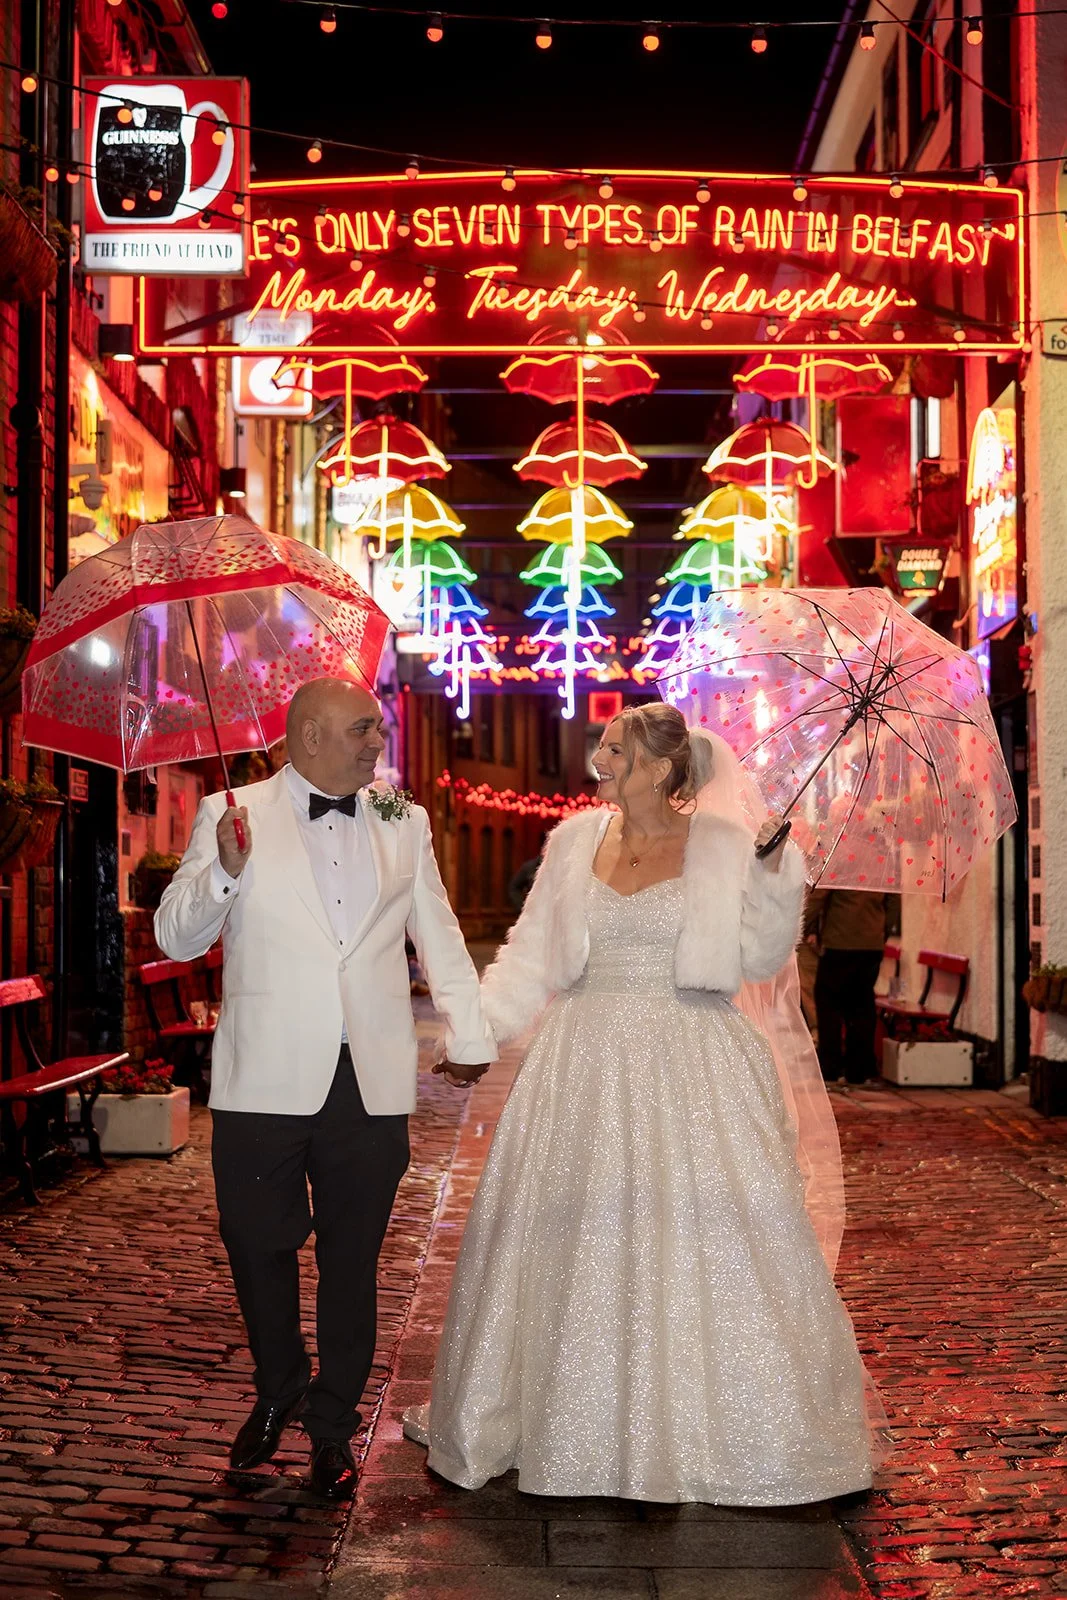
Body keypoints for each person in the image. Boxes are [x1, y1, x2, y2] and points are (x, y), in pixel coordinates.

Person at [404, 704, 878, 1506]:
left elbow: (760, 957)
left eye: (613, 748)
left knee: (701, 1236)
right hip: (580, 1058)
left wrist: (772, 877)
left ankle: (719, 1429)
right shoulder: (573, 841)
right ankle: (564, 1418)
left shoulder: (726, 846)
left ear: (659, 767)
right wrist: (476, 1036)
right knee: (575, 1237)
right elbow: (529, 956)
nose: (597, 758)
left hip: (693, 1056)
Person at [155, 678, 494, 1498]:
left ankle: (332, 1427)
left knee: (354, 1264)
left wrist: (470, 1029)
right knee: (255, 1243)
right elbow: (175, 934)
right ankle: (279, 1388)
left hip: (368, 1085)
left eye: (374, 730)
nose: (376, 742)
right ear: (307, 735)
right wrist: (226, 874)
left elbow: (437, 934)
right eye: (361, 730)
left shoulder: (402, 821)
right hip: (262, 1079)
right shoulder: (229, 815)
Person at [805, 888, 899, 1085]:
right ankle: (859, 1069)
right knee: (862, 1006)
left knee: (828, 1004)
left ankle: (830, 1067)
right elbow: (894, 901)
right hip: (871, 946)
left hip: (839, 942)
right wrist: (880, 932)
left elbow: (818, 897)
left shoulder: (842, 860)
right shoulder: (882, 863)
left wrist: (799, 926)